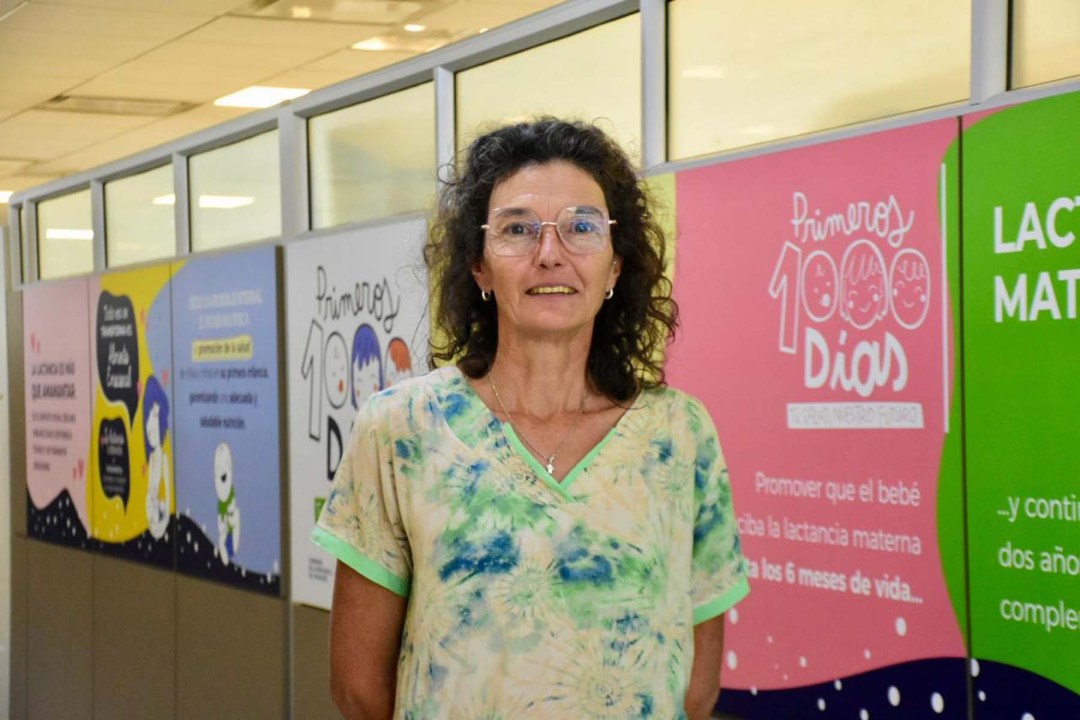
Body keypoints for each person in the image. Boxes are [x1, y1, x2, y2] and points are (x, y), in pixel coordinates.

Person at [312, 118, 749, 719]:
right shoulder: (403, 430)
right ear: (479, 266)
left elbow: (694, 686)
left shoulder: (679, 436)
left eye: (582, 228)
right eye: (517, 229)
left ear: (615, 267)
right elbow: (359, 687)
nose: (550, 254)